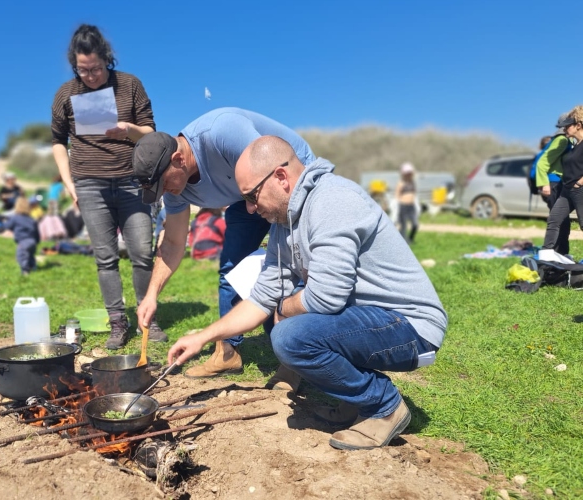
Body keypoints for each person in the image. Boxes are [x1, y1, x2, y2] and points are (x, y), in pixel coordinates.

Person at [167, 136, 448, 450]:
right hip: (371, 319)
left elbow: (326, 297)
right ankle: (356, 404)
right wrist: (202, 337)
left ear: (281, 178)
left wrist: (284, 307)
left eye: (251, 195)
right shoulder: (283, 223)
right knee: (292, 327)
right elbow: (262, 298)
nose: (249, 208)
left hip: (410, 327)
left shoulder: (332, 201)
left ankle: (383, 406)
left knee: (291, 336)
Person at [133, 108, 316, 380]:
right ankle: (228, 353)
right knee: (231, 268)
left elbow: (270, 171)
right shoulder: (176, 188)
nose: (166, 193)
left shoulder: (221, 133)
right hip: (246, 198)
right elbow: (172, 242)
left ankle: (295, 360)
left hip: (288, 184)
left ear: (178, 159)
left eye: (164, 185)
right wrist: (151, 295)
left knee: (291, 266)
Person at [51, 24, 166, 349]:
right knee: (105, 258)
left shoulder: (130, 86)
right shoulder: (65, 94)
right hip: (89, 184)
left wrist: (129, 129)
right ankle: (117, 322)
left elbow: (151, 134)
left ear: (107, 60)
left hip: (132, 181)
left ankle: (148, 316)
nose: (91, 77)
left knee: (143, 252)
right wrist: (68, 181)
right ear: (75, 66)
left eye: (97, 69)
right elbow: (58, 142)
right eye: (83, 70)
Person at [541, 106, 583, 262]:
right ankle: (546, 256)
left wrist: (581, 181)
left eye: (568, 125)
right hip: (566, 190)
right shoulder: (574, 144)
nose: (564, 128)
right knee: (554, 219)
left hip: (580, 190)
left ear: (578, 125)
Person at [534, 118, 572, 257]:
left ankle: (561, 253)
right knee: (558, 220)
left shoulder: (565, 140)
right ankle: (555, 253)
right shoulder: (561, 140)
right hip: (554, 183)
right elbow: (542, 162)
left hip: (559, 182)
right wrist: (545, 183)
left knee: (563, 220)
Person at [4, 197, 40, 275]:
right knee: (30, 255)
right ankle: (33, 267)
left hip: (23, 242)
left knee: (21, 256)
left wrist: (5, 222)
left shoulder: (15, 218)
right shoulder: (31, 219)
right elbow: (37, 231)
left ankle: (25, 270)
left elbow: (7, 226)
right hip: (33, 241)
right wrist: (37, 240)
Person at [394, 162, 419, 243]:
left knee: (415, 224)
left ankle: (411, 238)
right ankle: (403, 242)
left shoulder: (412, 182)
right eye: (407, 173)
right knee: (403, 226)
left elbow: (414, 193)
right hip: (403, 206)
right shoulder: (401, 183)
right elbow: (397, 195)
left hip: (411, 206)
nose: (408, 175)